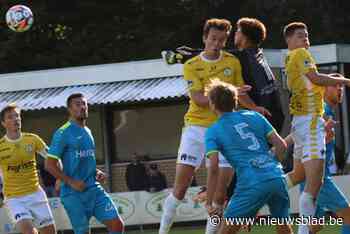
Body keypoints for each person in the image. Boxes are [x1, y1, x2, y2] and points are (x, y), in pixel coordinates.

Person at [159, 18, 255, 234]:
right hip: (196, 128)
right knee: (180, 188)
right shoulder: (192, 65)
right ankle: (163, 230)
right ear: (204, 38)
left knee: (220, 195)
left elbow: (241, 93)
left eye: (222, 40)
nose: (217, 43)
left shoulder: (232, 62)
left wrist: (254, 108)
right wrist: (230, 91)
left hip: (225, 129)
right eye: (213, 38)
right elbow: (199, 99)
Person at [283, 22, 350, 232]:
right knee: (315, 187)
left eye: (307, 35)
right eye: (300, 35)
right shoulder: (301, 54)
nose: (305, 39)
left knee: (298, 177)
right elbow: (315, 77)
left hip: (301, 121)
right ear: (289, 40)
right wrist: (347, 80)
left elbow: (308, 81)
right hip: (310, 122)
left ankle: (264, 188)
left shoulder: (289, 59)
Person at [162, 17, 285, 132]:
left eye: (238, 31)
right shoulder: (258, 54)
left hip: (263, 116)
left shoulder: (241, 57)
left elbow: (212, 53)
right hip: (274, 114)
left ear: (245, 37)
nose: (235, 34)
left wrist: (180, 56)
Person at [205, 79, 292, 234]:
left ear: (212, 104)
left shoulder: (213, 131)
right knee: (284, 227)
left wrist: (209, 202)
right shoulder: (254, 116)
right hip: (276, 177)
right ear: (236, 100)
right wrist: (271, 165)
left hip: (250, 184)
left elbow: (213, 168)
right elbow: (282, 146)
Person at [45, 93, 124, 234]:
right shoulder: (62, 133)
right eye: (78, 104)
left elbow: (86, 160)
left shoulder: (87, 131)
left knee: (117, 225)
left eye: (84, 104)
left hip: (94, 189)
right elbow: (49, 164)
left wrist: (96, 172)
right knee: (83, 232)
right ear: (69, 109)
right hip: (73, 194)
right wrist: (71, 182)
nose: (82, 107)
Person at [284, 84, 350, 234]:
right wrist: (280, 145)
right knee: (348, 216)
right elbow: (300, 130)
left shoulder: (327, 112)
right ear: (324, 89)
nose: (340, 89)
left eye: (342, 87)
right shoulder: (323, 109)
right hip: (319, 179)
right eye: (335, 86)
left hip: (312, 177)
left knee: (314, 225)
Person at [0, 103, 56, 234]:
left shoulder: (33, 139)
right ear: (3, 123)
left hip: (36, 194)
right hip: (14, 198)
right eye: (10, 117)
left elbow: (53, 158)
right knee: (28, 232)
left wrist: (61, 177)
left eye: (17, 116)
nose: (16, 119)